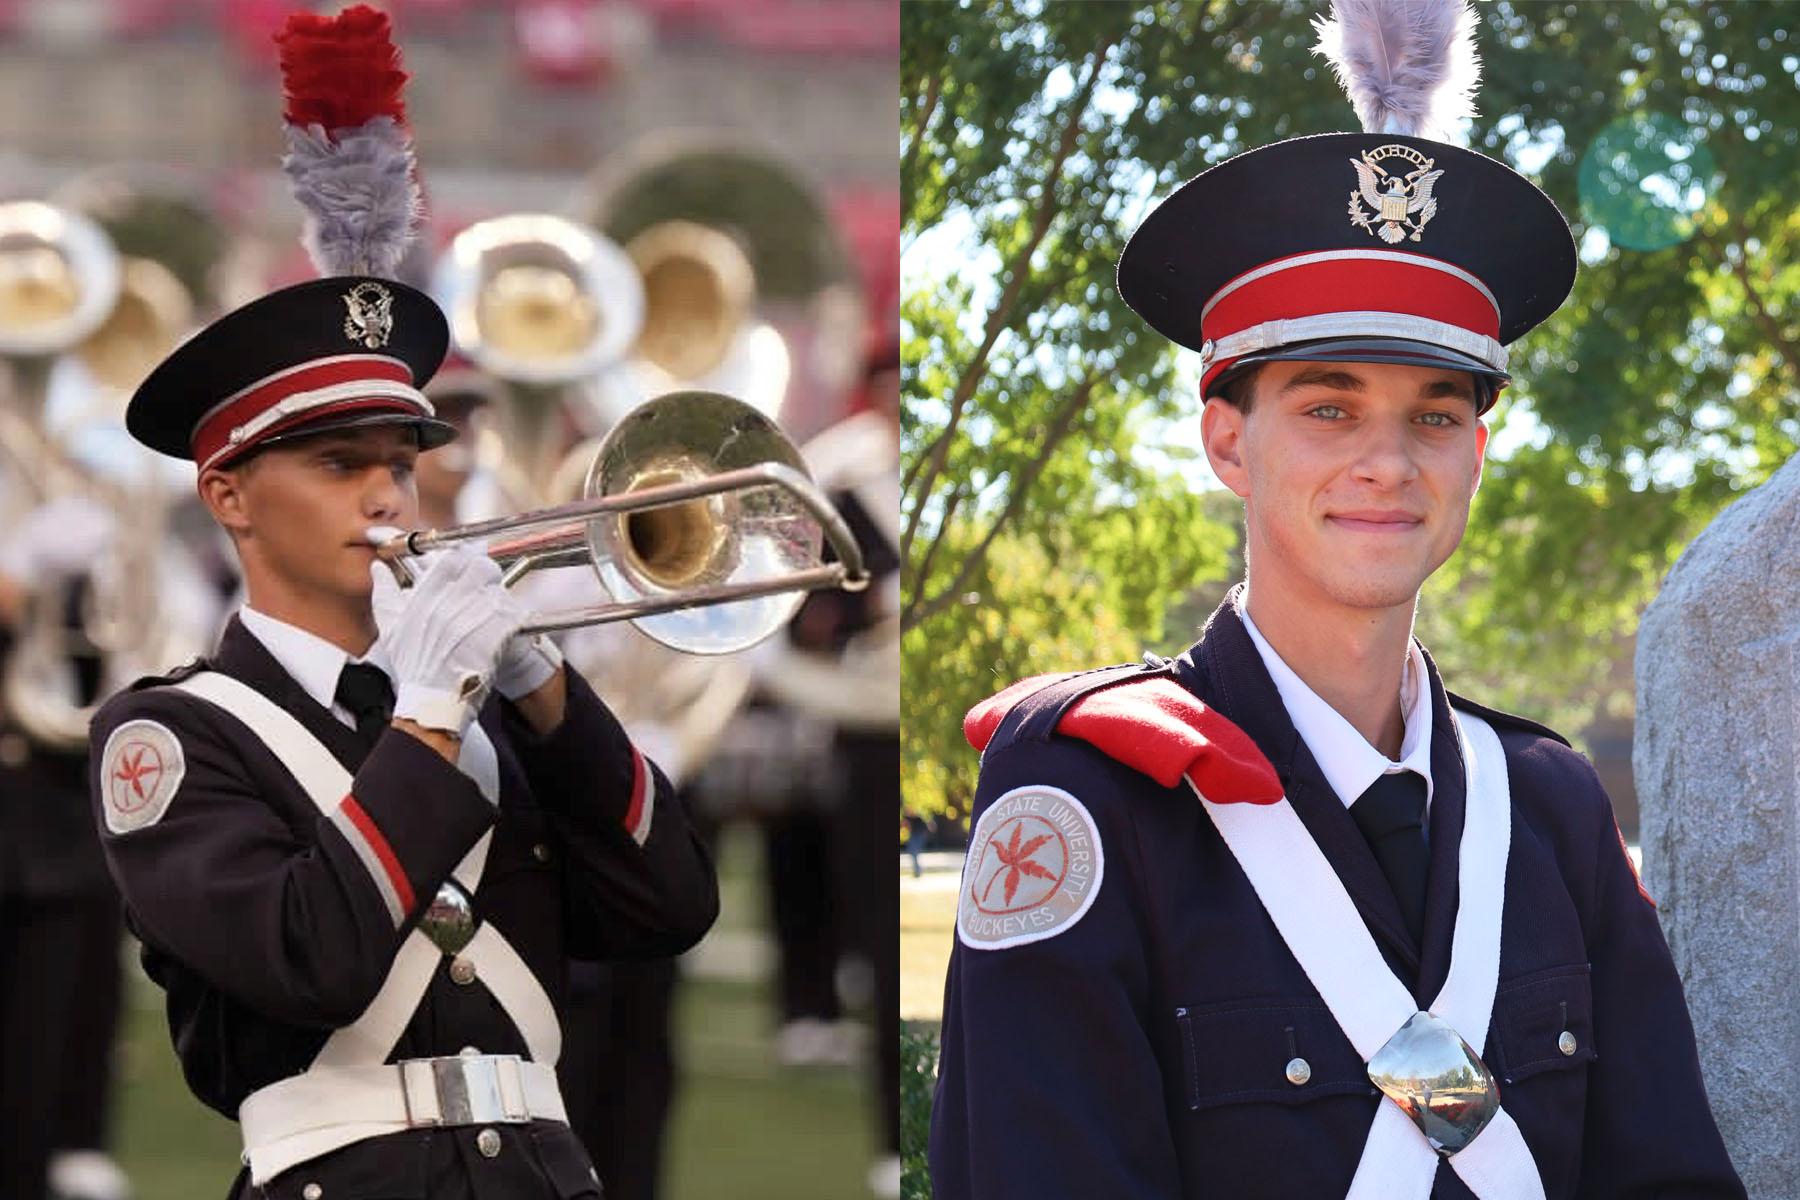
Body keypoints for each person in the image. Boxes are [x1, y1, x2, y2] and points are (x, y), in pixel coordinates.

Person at [928, 2, 1743, 1196]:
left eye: (1435, 414)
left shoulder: (1552, 804)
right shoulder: (1088, 790)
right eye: (1327, 407)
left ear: (1476, 450)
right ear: (1225, 441)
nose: (1389, 461)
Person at [89, 272, 719, 1199]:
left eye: (402, 464)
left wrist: (540, 684)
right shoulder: (171, 733)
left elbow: (669, 906)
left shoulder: (484, 709)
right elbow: (313, 959)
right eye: (341, 465)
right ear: (228, 495)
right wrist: (430, 706)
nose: (387, 497)